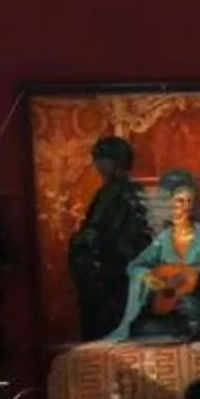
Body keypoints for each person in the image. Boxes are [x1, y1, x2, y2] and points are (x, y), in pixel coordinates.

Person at [103, 169, 200, 342]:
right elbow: (135, 266)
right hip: (167, 304)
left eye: (189, 201)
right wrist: (147, 276)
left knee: (188, 317)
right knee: (147, 327)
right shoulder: (164, 238)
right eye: (179, 201)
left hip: (196, 302)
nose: (185, 206)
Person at [67, 134, 147, 341]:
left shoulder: (126, 193)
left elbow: (134, 237)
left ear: (114, 162)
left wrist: (96, 241)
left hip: (116, 275)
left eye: (101, 159)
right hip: (103, 275)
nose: (96, 164)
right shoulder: (107, 192)